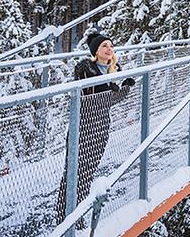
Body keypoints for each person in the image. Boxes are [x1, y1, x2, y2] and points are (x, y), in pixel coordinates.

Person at [56, 33, 135, 225]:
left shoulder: (114, 70)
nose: (109, 49)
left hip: (101, 128)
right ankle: (63, 216)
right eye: (104, 46)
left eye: (111, 45)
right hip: (83, 126)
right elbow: (92, 100)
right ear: (95, 52)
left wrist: (124, 88)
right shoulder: (85, 69)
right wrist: (112, 89)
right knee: (73, 170)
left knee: (88, 171)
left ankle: (78, 216)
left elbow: (109, 102)